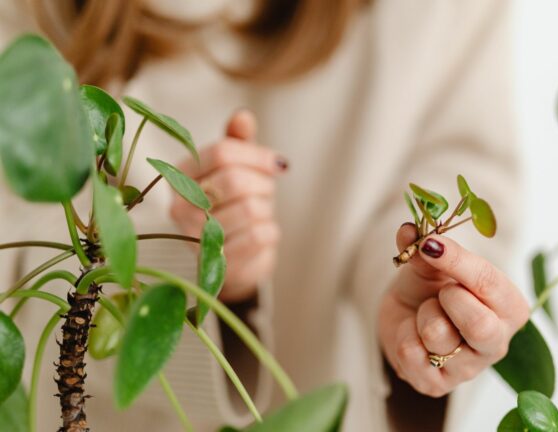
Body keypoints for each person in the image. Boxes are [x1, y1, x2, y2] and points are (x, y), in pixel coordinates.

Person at [0, 0, 528, 430]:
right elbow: (18, 256)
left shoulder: (447, 15)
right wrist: (190, 273)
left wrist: (430, 302)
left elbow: (458, 166)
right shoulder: (25, 26)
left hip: (334, 388)